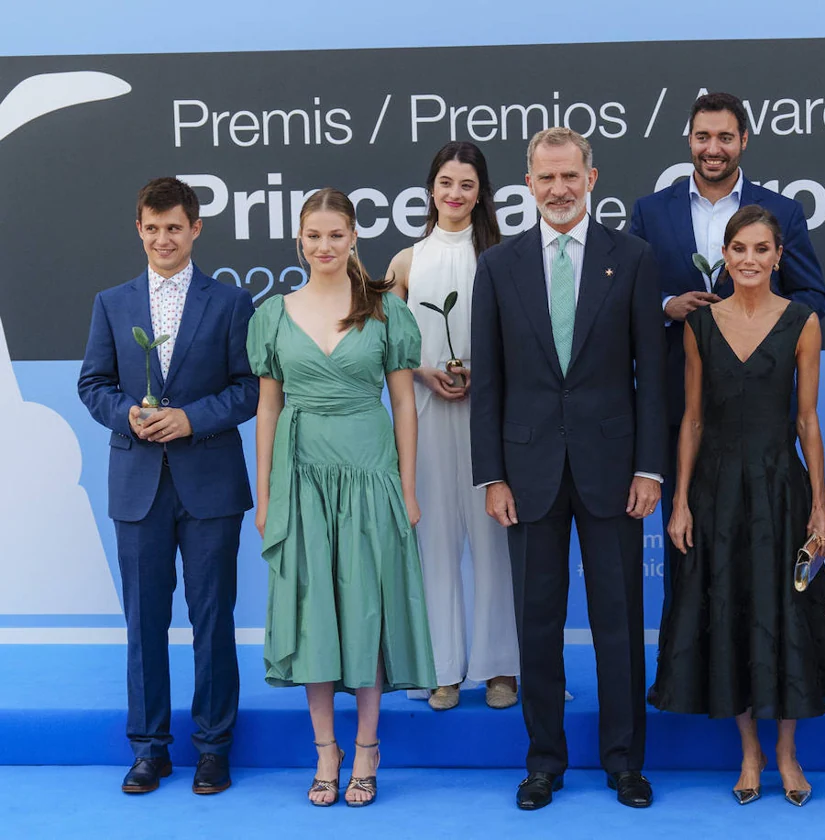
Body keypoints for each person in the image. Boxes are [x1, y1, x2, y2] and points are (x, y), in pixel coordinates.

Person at [470, 127, 667, 811]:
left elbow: (653, 376)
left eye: (570, 176)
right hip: (526, 474)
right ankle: (543, 762)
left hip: (614, 469)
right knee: (537, 625)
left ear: (592, 177)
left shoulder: (634, 258)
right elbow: (489, 382)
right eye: (545, 178)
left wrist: (650, 468)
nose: (558, 189)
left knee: (619, 622)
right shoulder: (497, 265)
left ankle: (624, 762)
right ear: (528, 184)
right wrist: (491, 474)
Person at [653, 205, 825, 806]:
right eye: (738, 249)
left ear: (777, 257)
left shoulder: (803, 321)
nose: (749, 260)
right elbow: (691, 419)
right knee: (732, 611)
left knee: (787, 615)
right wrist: (681, 501)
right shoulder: (700, 326)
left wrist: (820, 505)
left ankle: (788, 754)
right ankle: (749, 753)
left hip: (778, 488)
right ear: (726, 255)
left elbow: (806, 421)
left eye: (762, 249)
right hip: (715, 491)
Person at [629, 91, 825, 680]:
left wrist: (752, 309)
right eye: (702, 137)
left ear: (744, 141)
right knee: (691, 546)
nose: (712, 148)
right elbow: (630, 302)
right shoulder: (650, 211)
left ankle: (772, 675)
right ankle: (694, 675)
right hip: (681, 406)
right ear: (688, 141)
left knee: (768, 559)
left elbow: (814, 297)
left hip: (760, 414)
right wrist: (672, 307)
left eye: (724, 137)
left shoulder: (782, 213)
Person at [249, 188, 436, 807]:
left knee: (365, 610)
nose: (324, 246)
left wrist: (407, 490)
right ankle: (325, 751)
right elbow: (268, 408)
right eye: (314, 236)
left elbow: (405, 404)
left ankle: (367, 750)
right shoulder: (273, 315)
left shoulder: (385, 310)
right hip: (302, 478)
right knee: (315, 614)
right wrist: (265, 493)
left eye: (336, 235)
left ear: (354, 238)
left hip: (370, 475)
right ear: (298, 241)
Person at [78, 177, 258, 795]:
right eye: (152, 228)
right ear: (138, 228)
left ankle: (213, 748)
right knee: (143, 622)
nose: (163, 239)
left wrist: (191, 417)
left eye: (174, 227)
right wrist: (126, 413)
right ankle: (149, 748)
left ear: (196, 228)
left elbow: (248, 389)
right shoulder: (111, 302)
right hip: (137, 485)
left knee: (213, 620)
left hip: (210, 484)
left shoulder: (233, 303)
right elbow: (93, 383)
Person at [385, 141, 519, 711]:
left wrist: (482, 376)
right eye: (446, 183)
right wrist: (424, 373)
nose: (455, 194)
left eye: (466, 184)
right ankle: (441, 667)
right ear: (431, 189)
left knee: (495, 544)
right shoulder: (405, 262)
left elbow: (524, 342)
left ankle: (499, 668)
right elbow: (386, 344)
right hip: (426, 417)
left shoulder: (507, 256)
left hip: (493, 418)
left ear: (481, 192)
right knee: (433, 541)